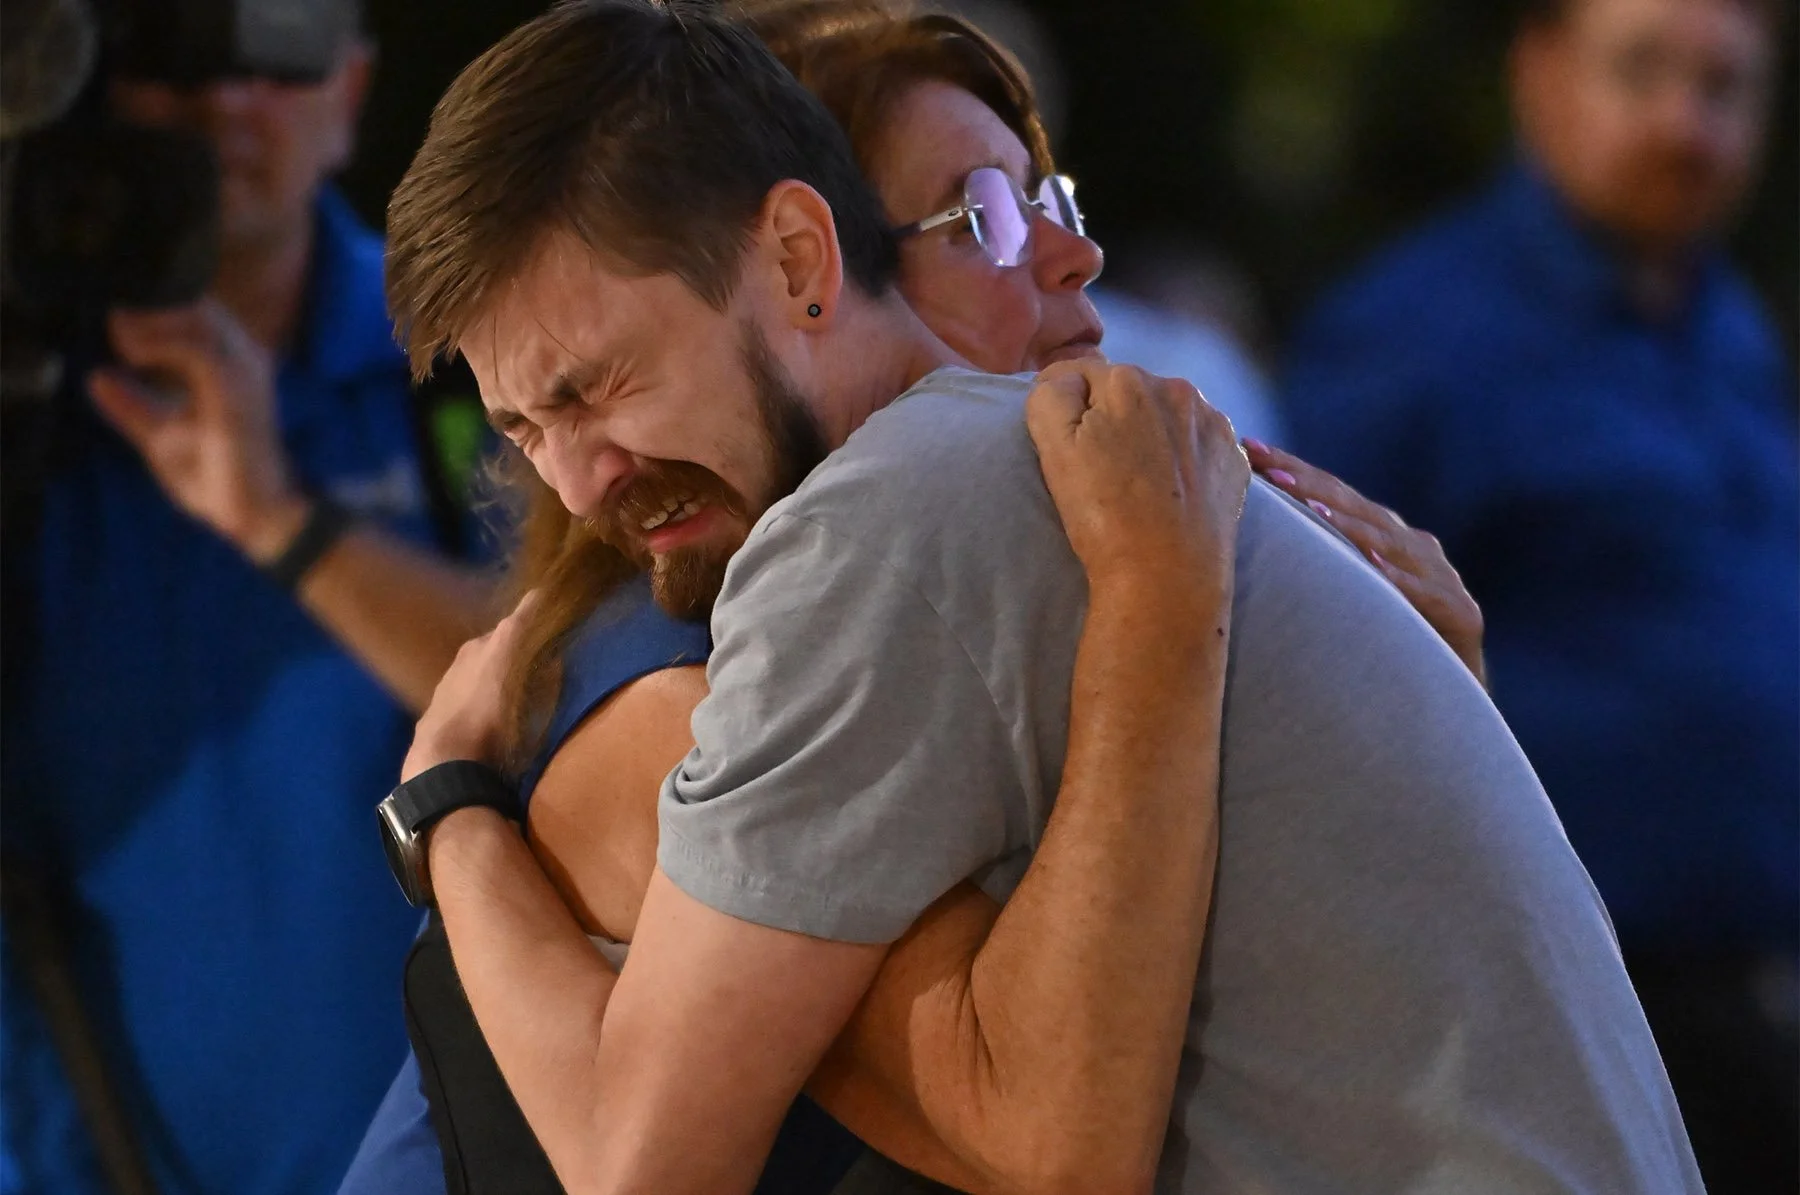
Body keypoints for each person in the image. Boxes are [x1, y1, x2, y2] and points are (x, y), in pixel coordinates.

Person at [387, 1, 1699, 1191]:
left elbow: (648, 1172)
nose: (577, 474)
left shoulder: (883, 520)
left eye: (597, 385)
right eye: (525, 426)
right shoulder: (1004, 507)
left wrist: (445, 807)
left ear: (801, 258)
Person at [1279, 1, 1797, 1188]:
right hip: (1548, 1025)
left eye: (1726, 87)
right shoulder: (1408, 340)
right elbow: (1317, 701)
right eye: (1643, 71)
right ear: (1540, 74)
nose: (1688, 122)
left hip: (1745, 1005)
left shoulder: (1725, 323)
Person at [0, 6, 495, 1193]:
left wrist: (284, 522)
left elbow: (589, 699)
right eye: (173, 58)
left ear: (353, 90)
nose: (227, 101)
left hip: (441, 1161)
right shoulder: (28, 388)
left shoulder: (475, 350)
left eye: (279, 52)